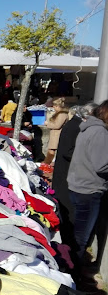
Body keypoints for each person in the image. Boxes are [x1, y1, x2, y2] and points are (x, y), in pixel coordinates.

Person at [67, 100, 108, 270]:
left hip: (79, 186)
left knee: (80, 234)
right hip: (88, 190)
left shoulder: (88, 128)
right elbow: (102, 165)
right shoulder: (100, 132)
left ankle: (75, 268)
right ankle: (75, 275)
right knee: (81, 237)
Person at [52, 104, 91, 248]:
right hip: (66, 175)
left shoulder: (73, 125)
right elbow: (68, 151)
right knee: (68, 211)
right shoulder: (75, 127)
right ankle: (69, 245)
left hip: (65, 174)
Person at [43, 97, 69, 165]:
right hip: (55, 135)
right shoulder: (59, 114)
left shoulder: (62, 114)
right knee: (51, 151)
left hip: (57, 135)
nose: (53, 108)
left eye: (54, 106)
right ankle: (47, 163)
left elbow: (57, 125)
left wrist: (48, 124)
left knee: (52, 151)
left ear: (57, 106)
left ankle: (47, 164)